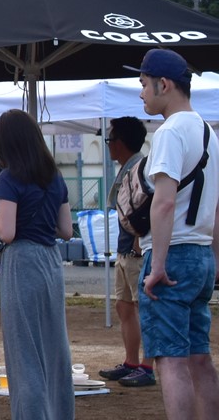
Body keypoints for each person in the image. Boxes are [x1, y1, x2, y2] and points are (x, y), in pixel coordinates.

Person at [129, 48, 219, 418]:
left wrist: (157, 267)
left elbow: (163, 203)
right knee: (199, 358)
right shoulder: (209, 132)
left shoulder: (169, 132)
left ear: (163, 85)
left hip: (172, 255)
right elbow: (217, 207)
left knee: (170, 360)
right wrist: (215, 261)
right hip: (201, 254)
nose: (141, 93)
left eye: (143, 83)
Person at [0, 109, 74, 420]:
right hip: (51, 261)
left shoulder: (9, 179)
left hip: (21, 261)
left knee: (25, 354)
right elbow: (66, 230)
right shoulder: (55, 176)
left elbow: (6, 233)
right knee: (55, 348)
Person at [100, 116, 156, 387]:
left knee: (142, 308)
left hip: (136, 250)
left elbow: (150, 203)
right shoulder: (130, 166)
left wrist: (138, 240)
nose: (108, 145)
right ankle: (132, 362)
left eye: (109, 140)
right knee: (124, 307)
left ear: (119, 142)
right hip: (126, 250)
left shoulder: (141, 167)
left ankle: (147, 366)